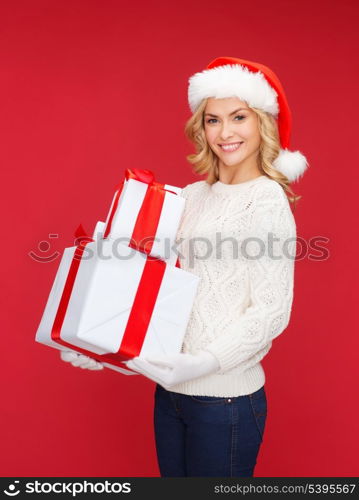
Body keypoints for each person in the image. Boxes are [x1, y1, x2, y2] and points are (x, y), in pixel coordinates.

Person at [60, 56, 309, 477]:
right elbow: (152, 283)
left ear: (262, 122)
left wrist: (205, 362)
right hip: (170, 394)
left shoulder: (266, 201)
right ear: (202, 127)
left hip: (226, 403)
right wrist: (98, 343)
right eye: (213, 120)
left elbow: (271, 310)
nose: (225, 132)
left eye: (238, 117)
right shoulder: (192, 196)